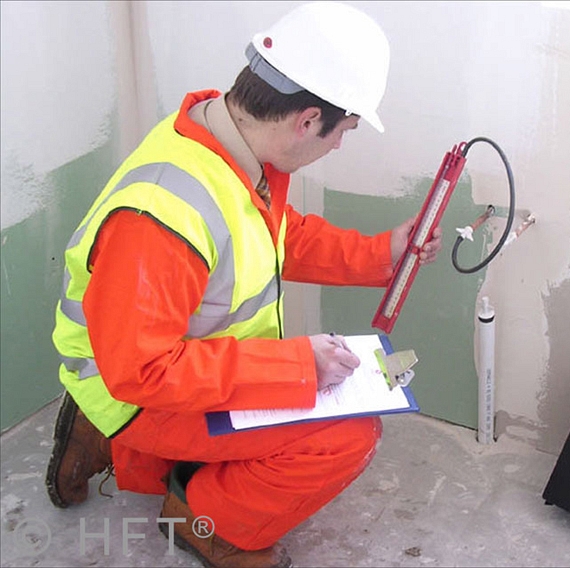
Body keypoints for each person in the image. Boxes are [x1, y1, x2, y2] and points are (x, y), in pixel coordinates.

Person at [45, 3, 442, 567]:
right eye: (344, 131)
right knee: (346, 435)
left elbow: (279, 237)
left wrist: (383, 253)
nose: (338, 146)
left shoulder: (228, 143)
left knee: (283, 411)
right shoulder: (161, 217)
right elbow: (142, 370)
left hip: (170, 363)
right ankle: (202, 523)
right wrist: (298, 369)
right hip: (131, 386)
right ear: (308, 120)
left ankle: (125, 447)